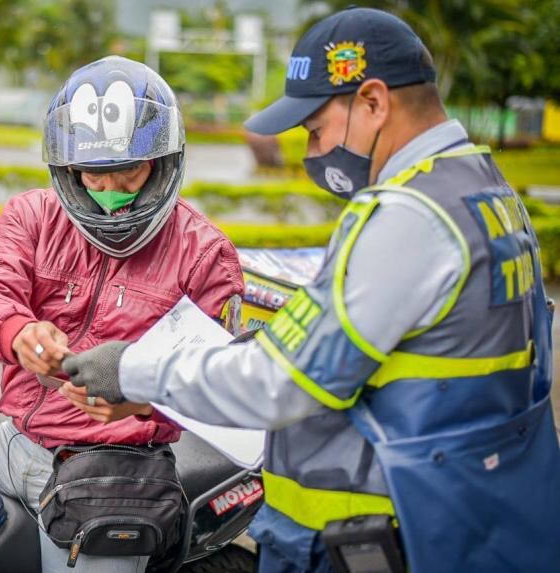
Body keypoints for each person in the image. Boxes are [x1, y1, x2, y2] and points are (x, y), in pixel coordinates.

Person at [63, 8, 560, 573]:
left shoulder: (409, 215)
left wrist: (132, 369)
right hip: (473, 513)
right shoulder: (485, 190)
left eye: (317, 129)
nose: (313, 151)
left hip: (394, 532)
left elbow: (280, 382)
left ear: (373, 103)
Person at [0, 55, 244, 573]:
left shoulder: (204, 252)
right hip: (14, 442)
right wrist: (18, 332)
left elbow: (221, 380)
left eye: (127, 173)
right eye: (92, 177)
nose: (109, 195)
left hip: (119, 472)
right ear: (68, 169)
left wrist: (142, 406)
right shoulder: (31, 216)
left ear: (163, 163)